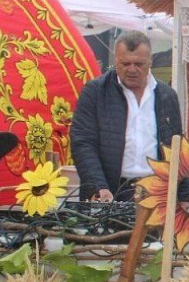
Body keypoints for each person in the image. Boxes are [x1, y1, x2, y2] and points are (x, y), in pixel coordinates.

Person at [70, 31, 183, 202]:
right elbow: (82, 142)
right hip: (108, 191)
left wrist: (183, 194)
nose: (131, 70)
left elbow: (177, 148)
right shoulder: (95, 92)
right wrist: (97, 186)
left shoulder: (167, 96)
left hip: (156, 193)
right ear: (116, 60)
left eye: (139, 64)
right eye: (125, 63)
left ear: (150, 61)